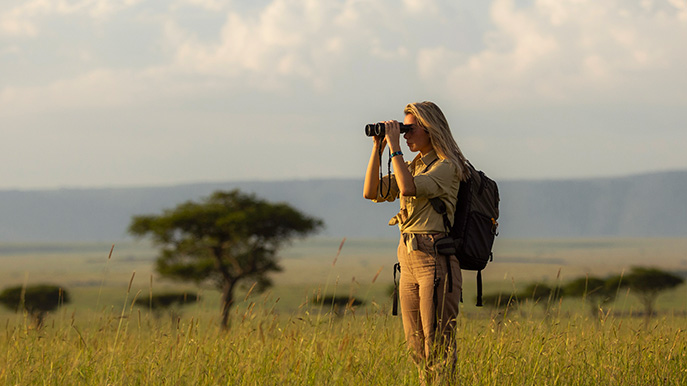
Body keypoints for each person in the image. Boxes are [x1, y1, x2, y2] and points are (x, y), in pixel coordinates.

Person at [363, 101, 468, 383]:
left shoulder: (448, 167)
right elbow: (370, 191)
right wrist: (379, 147)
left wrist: (395, 146)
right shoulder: (413, 165)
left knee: (437, 343)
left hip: (434, 260)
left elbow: (408, 187)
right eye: (403, 130)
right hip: (408, 260)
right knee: (416, 347)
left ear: (429, 129)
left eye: (410, 129)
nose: (406, 135)